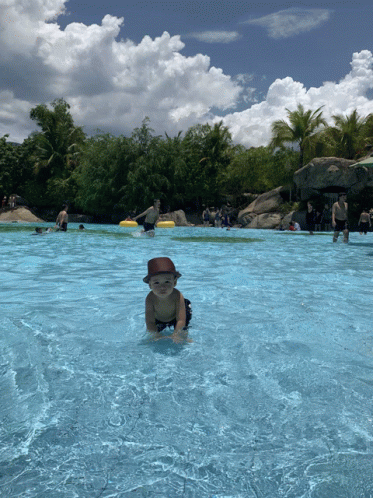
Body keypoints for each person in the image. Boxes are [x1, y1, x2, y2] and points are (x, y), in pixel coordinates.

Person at [143, 257, 192, 343]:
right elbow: (150, 321)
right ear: (150, 285)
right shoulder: (150, 299)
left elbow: (181, 319)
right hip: (159, 319)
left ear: (175, 282)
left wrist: (177, 334)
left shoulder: (177, 295)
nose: (162, 287)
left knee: (182, 332)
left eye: (167, 282)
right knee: (153, 335)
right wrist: (156, 335)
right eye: (156, 283)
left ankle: (184, 337)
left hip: (176, 317)